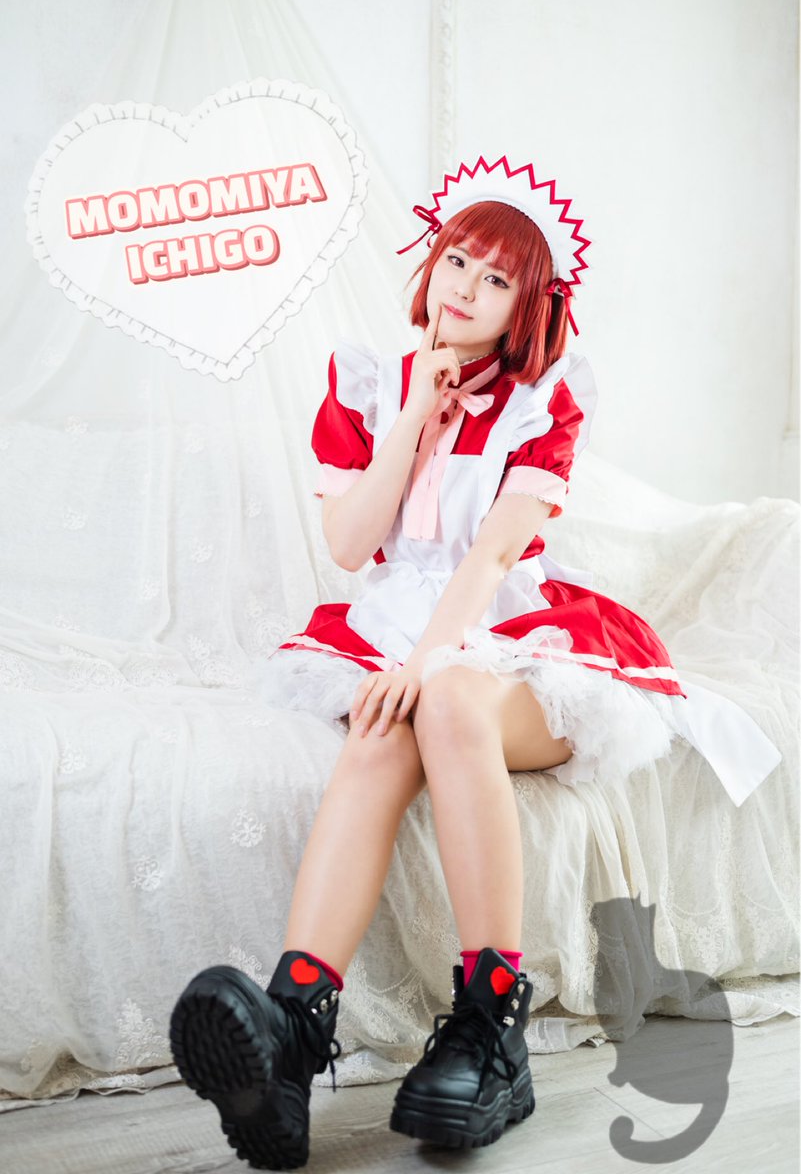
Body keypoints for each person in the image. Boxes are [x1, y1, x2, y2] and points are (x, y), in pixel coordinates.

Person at [169, 155, 780, 1170]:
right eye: (458, 259)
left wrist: (428, 657)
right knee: (378, 734)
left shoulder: (547, 400)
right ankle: (289, 1036)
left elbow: (493, 557)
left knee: (446, 698)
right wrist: (415, 413)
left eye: (498, 278)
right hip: (394, 623)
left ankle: (494, 1027)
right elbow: (351, 545)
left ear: (527, 304)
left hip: (513, 634)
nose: (466, 286)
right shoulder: (371, 382)